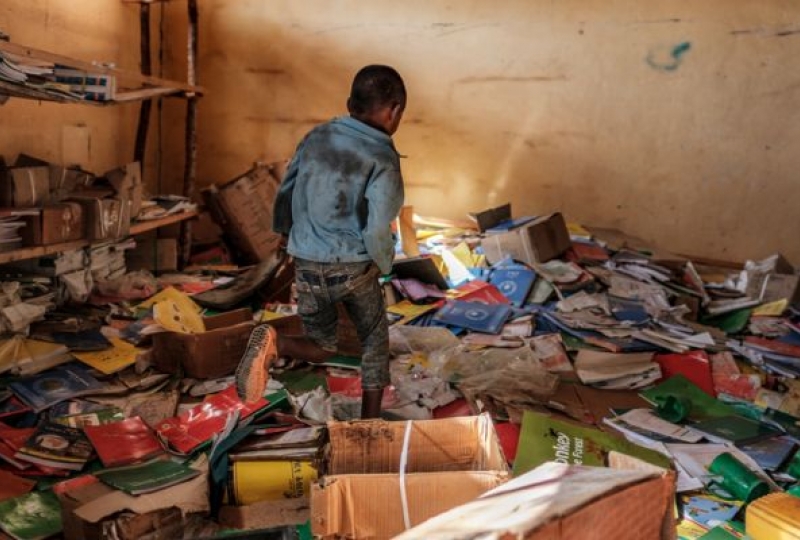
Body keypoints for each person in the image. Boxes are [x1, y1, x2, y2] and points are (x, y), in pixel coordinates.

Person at [236, 65, 406, 419]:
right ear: (395, 111)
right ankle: (369, 423)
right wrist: (385, 263)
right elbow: (378, 227)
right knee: (374, 343)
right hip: (353, 267)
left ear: (349, 103)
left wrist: (285, 235)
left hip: (307, 262)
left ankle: (277, 342)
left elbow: (286, 190)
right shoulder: (382, 155)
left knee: (321, 343)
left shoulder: (316, 136)